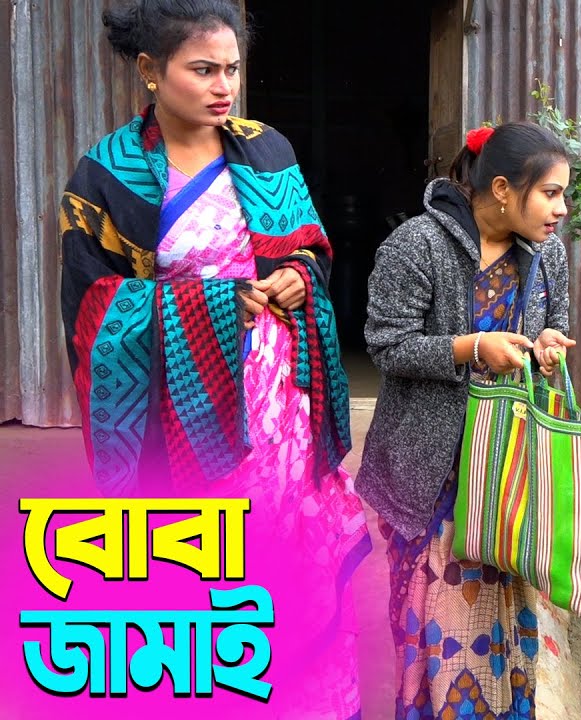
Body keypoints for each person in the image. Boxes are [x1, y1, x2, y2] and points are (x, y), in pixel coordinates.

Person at [60, 1, 369, 716]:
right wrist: (208, 306)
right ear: (149, 71)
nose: (222, 85)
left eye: (230, 69)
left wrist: (299, 271)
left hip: (279, 399)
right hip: (182, 407)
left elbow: (309, 243)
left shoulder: (265, 148)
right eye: (202, 70)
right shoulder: (106, 175)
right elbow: (92, 310)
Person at [357, 121, 575, 719]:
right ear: (502, 188)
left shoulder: (548, 254)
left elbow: (545, 330)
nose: (562, 208)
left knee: (511, 628)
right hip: (435, 478)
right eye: (551, 193)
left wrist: (546, 348)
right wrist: (471, 348)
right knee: (436, 633)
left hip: (508, 476)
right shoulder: (416, 245)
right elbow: (386, 344)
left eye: (564, 193)